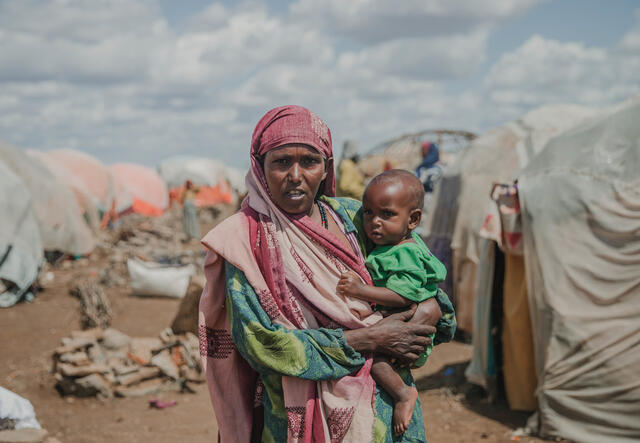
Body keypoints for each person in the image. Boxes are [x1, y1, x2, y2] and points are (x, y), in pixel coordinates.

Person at [199, 105, 455, 442]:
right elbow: (261, 343)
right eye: (280, 162)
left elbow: (421, 280)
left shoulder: (355, 217)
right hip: (297, 415)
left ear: (326, 168)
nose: (295, 175)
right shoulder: (245, 241)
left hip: (386, 412)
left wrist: (425, 313)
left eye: (308, 161)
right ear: (260, 168)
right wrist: (371, 338)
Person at [336, 169, 452, 436]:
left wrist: (360, 290)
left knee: (373, 357)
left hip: (407, 327)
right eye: (368, 212)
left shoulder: (405, 252)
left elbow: (404, 295)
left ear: (413, 219)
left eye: (386, 214)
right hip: (404, 322)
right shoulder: (392, 245)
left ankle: (402, 394)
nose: (374, 222)